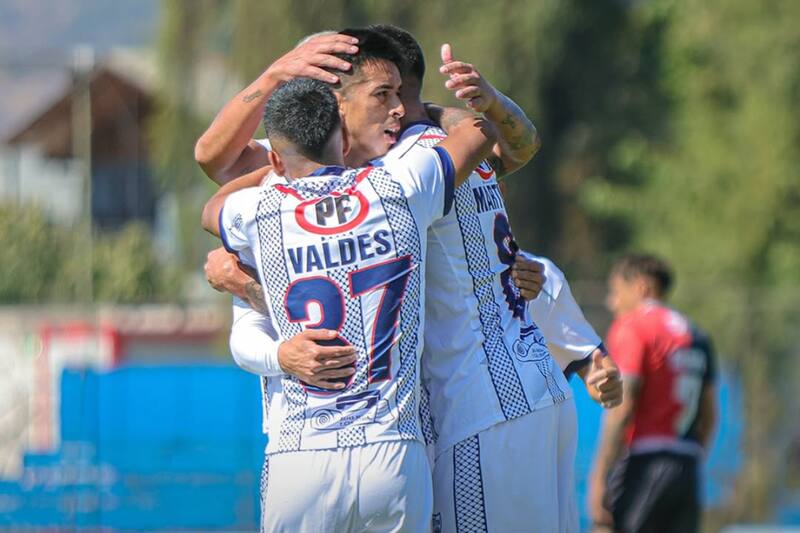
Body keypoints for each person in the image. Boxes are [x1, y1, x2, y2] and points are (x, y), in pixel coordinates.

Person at [200, 25, 622, 532]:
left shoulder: (394, 172)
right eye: (384, 95)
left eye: (398, 95)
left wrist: (246, 282)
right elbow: (514, 145)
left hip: (476, 409)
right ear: (336, 107)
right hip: (523, 394)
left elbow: (216, 173)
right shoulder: (417, 166)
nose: (395, 108)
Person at [204, 72, 495, 531]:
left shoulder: (258, 210)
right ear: (343, 141)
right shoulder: (400, 187)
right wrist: (431, 108)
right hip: (393, 449)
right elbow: (481, 131)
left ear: (277, 158)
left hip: (301, 451)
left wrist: (280, 168)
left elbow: (213, 208)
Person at [588, 254, 717, 533]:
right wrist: (687, 460)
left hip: (644, 465)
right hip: (686, 465)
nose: (612, 302)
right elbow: (709, 416)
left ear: (642, 287)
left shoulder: (634, 326)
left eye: (616, 291)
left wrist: (599, 477)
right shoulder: (697, 334)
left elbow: (624, 404)